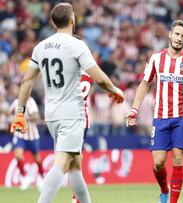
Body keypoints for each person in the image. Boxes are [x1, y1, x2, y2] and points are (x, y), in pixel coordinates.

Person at [9, 3, 124, 203]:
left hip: (52, 115)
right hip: (72, 113)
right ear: (73, 20)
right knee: (62, 163)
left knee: (74, 166)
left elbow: (26, 80)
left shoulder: (40, 47)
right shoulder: (76, 45)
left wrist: (20, 112)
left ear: (53, 22)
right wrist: (114, 89)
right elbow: (100, 78)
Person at [125, 20, 183, 203]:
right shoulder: (156, 58)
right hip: (161, 117)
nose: (179, 39)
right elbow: (144, 84)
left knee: (178, 159)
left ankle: (172, 201)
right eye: (177, 34)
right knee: (158, 163)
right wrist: (134, 109)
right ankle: (164, 190)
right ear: (170, 34)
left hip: (182, 117)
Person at [9, 94, 44, 190]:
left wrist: (25, 118)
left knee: (37, 159)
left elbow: (36, 116)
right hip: (19, 134)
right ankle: (24, 177)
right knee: (17, 155)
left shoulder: (31, 101)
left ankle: (41, 178)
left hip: (32, 135)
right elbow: (9, 112)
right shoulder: (16, 102)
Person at [72, 71, 93, 203]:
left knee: (73, 158)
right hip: (82, 119)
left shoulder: (68, 71)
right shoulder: (89, 75)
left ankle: (76, 197)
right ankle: (77, 196)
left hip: (72, 120)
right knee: (74, 158)